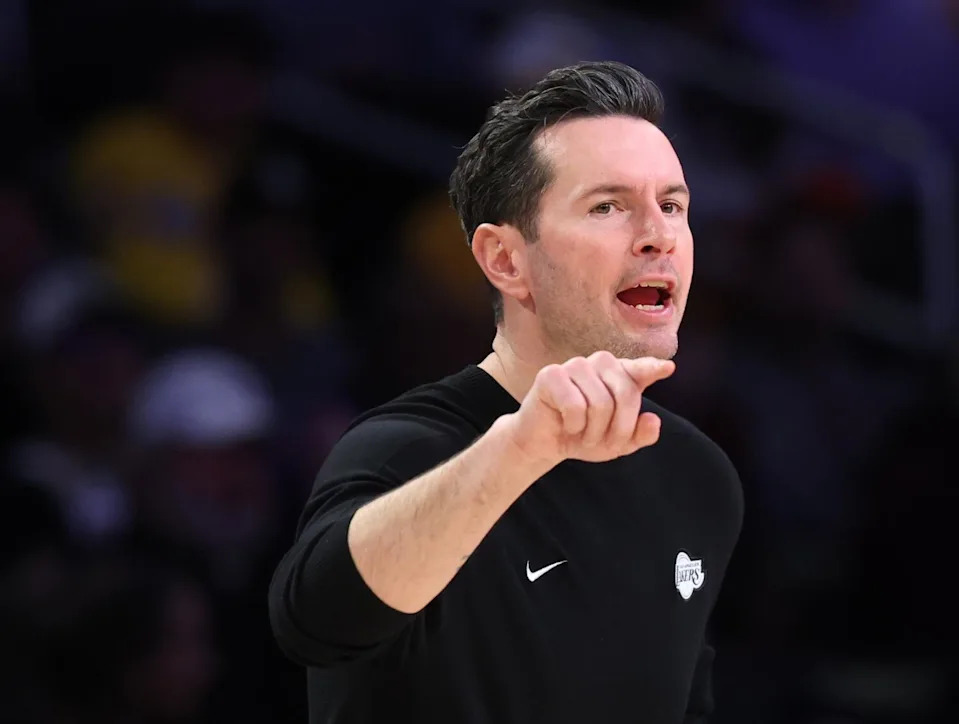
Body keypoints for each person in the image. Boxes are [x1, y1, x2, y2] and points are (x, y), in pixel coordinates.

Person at [269, 60, 744, 723]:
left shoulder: (698, 476)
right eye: (607, 206)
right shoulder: (405, 447)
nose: (658, 236)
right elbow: (311, 621)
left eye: (671, 205)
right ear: (504, 260)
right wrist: (522, 448)